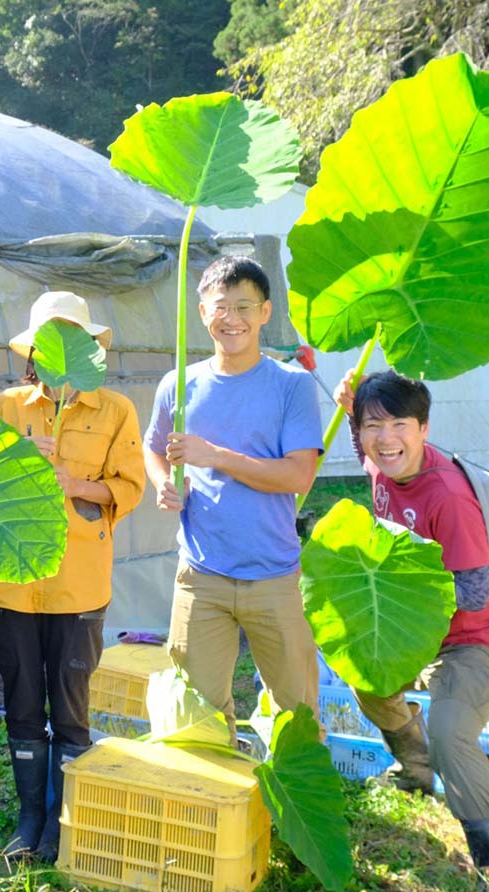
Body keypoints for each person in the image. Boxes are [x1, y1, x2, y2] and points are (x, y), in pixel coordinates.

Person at [333, 369, 489, 892]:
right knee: (365, 678)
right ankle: (416, 770)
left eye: (399, 425)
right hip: (414, 630)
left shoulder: (447, 496)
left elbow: (473, 594)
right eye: (374, 426)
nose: (385, 438)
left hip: (471, 642)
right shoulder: (381, 462)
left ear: (423, 427)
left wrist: (403, 620)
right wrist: (350, 407)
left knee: (451, 736)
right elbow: (365, 441)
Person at [0, 291, 146, 861]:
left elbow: (129, 487)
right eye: (51, 344)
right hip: (12, 584)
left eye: (74, 342)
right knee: (23, 703)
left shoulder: (115, 409)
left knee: (70, 706)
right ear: (34, 353)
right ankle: (29, 818)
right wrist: (20, 464)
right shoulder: (6, 407)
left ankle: (63, 817)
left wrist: (73, 483)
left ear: (90, 350)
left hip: (79, 581)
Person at [143, 255, 323, 738]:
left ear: (265, 313)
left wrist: (215, 455)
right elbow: (154, 447)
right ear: (203, 312)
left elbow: (298, 476)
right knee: (197, 715)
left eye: (245, 307)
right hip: (201, 575)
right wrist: (163, 480)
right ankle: (221, 803)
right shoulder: (179, 383)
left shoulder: (292, 385)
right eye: (221, 307)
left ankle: (290, 807)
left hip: (274, 576)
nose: (233, 319)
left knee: (297, 713)